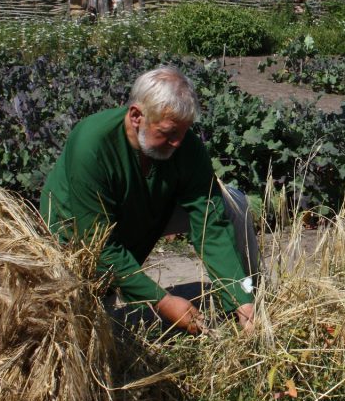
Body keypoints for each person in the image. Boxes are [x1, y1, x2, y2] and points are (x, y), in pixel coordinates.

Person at [40, 66, 257, 334]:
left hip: (147, 210)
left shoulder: (185, 145)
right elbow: (98, 245)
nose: (178, 143)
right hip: (78, 231)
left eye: (184, 132)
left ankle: (246, 298)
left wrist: (240, 295)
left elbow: (210, 222)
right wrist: (162, 301)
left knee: (233, 202)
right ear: (136, 116)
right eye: (168, 133)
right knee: (88, 327)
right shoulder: (92, 145)